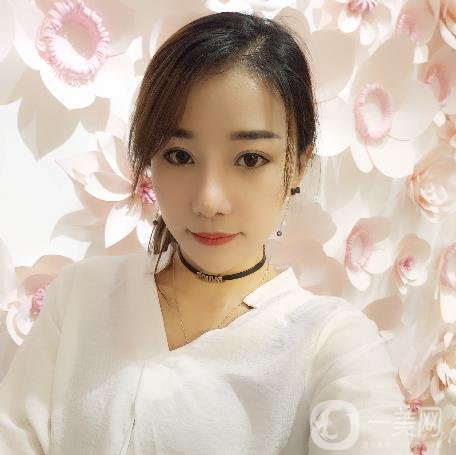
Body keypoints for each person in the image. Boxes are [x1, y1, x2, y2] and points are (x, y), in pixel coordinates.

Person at [0, 11, 411, 454]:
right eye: (179, 156)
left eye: (250, 159)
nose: (208, 200)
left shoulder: (334, 345)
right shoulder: (81, 295)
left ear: (299, 164)